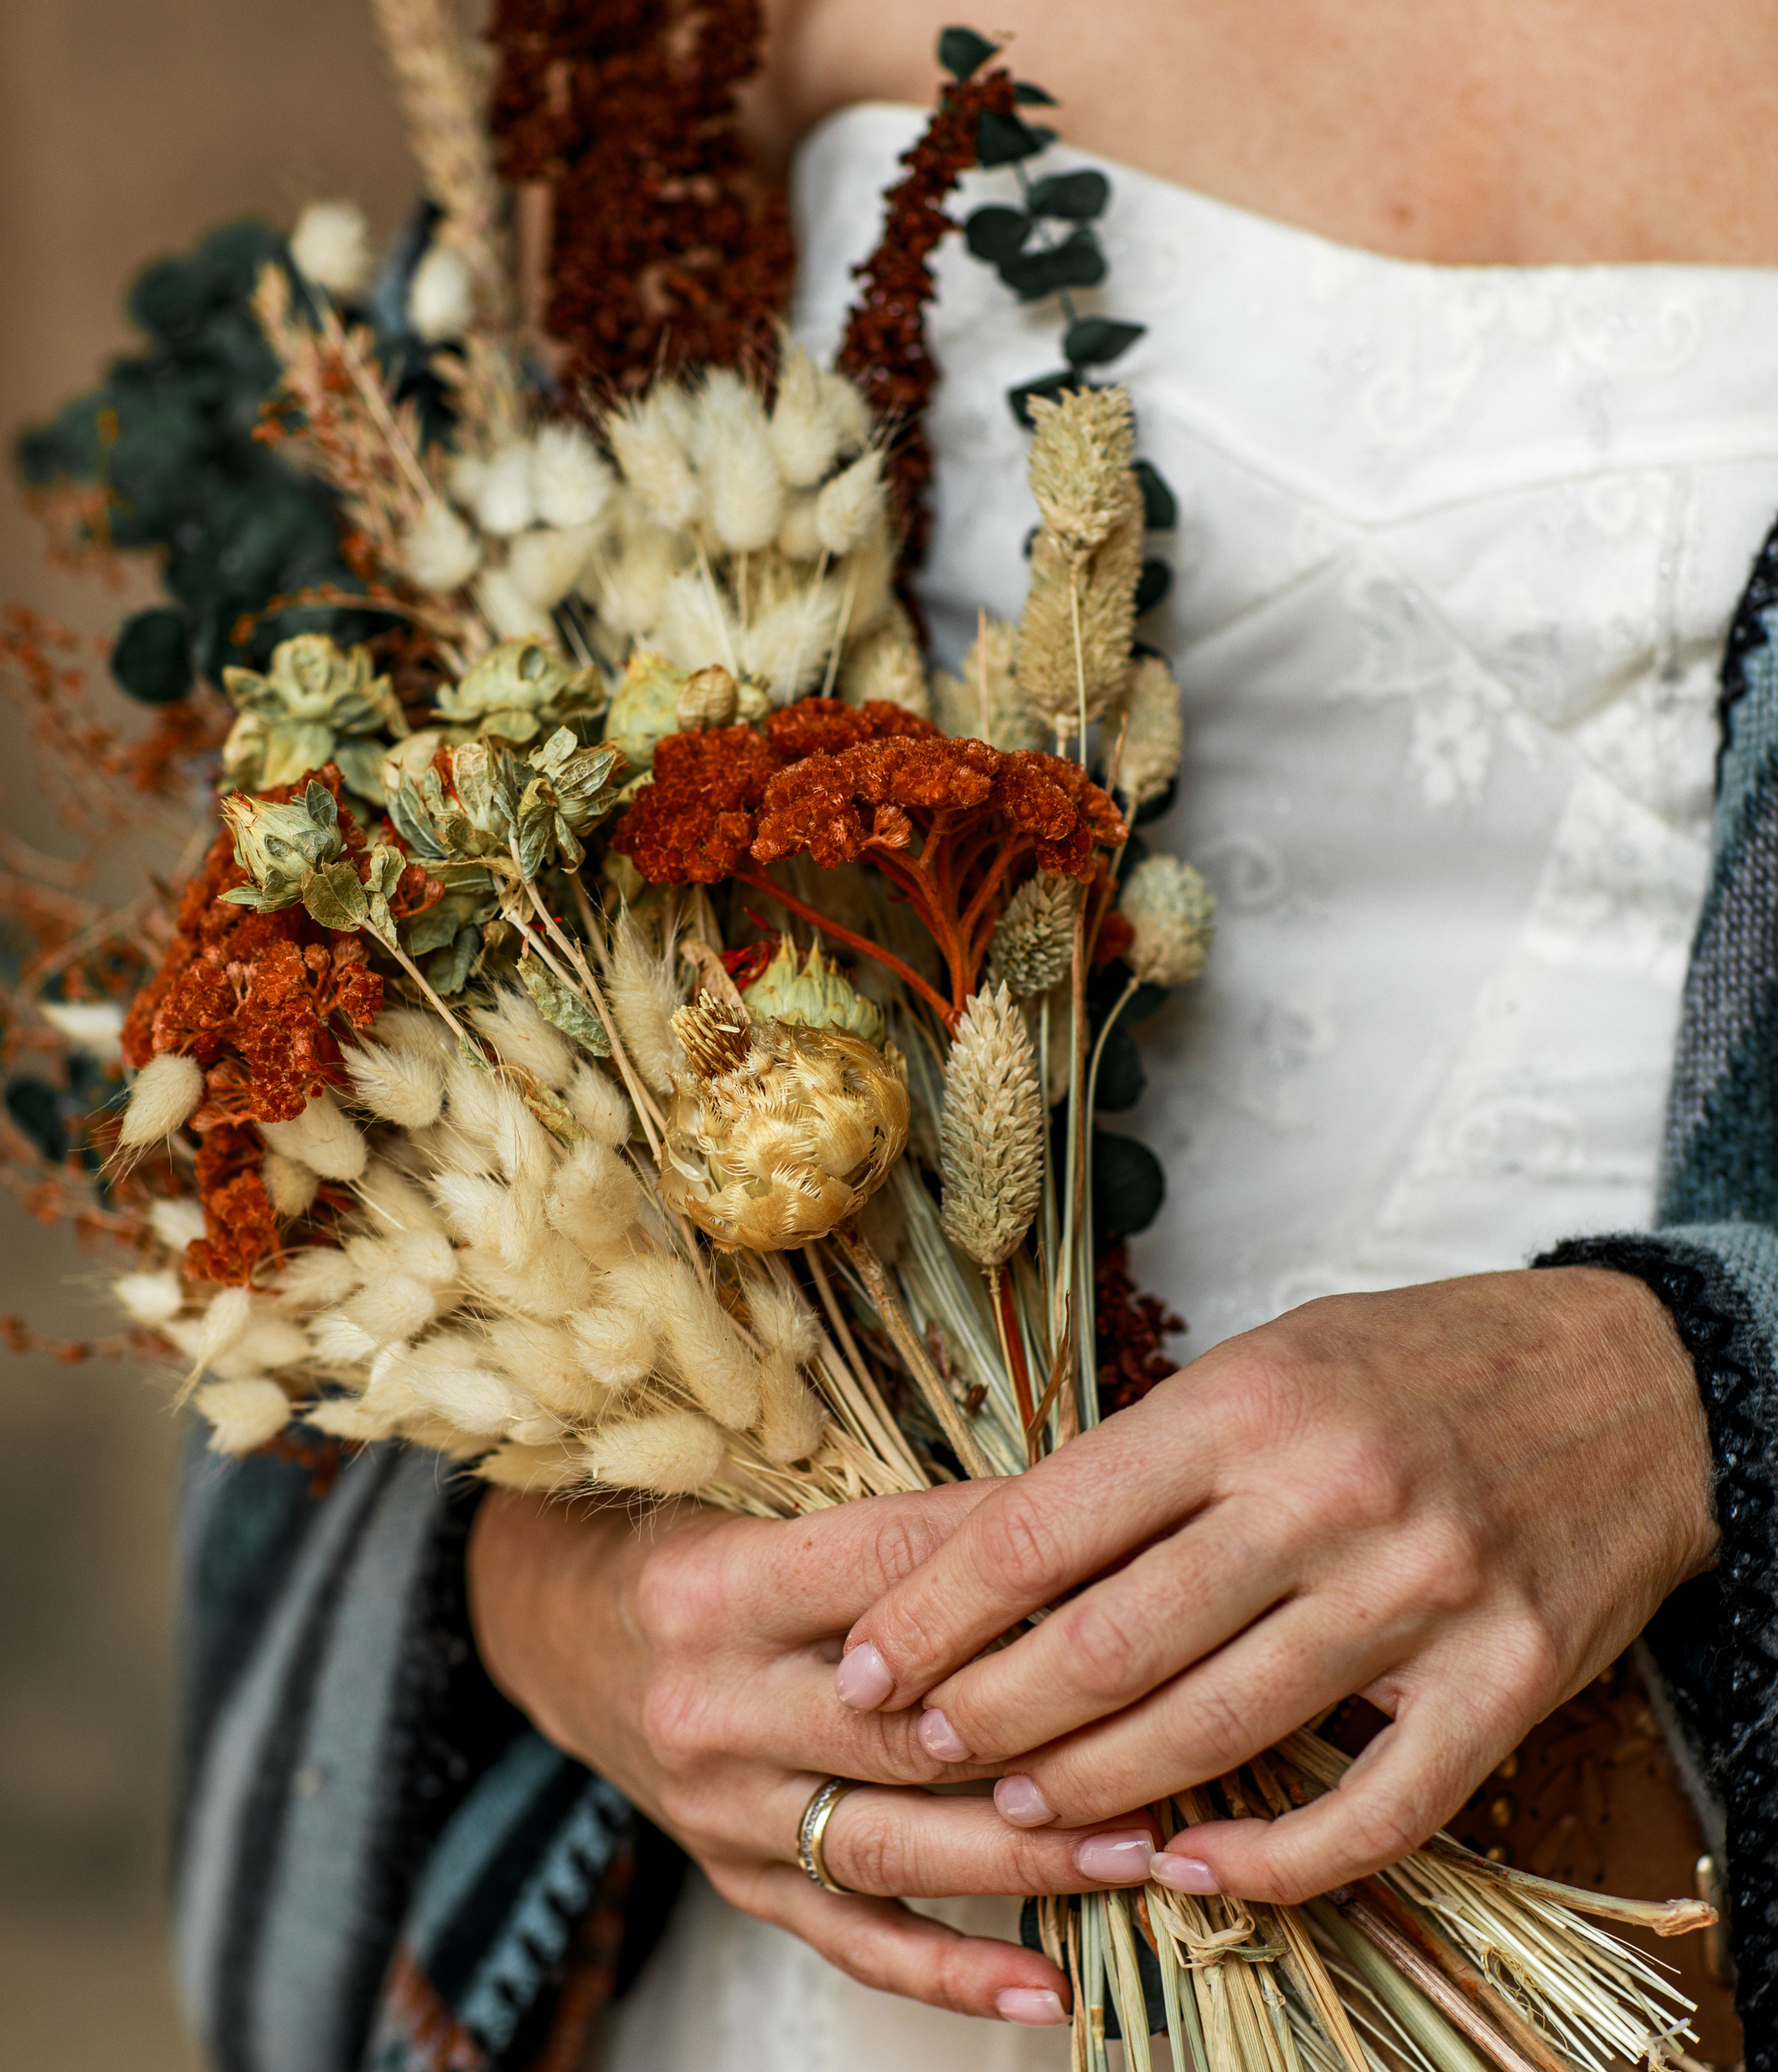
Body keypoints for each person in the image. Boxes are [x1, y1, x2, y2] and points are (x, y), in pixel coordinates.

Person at [173, 4, 1778, 2066]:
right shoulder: (670, 41)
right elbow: (342, 1018)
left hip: (1651, 1876)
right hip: (866, 1877)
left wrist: (1676, 1389)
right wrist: (559, 1610)